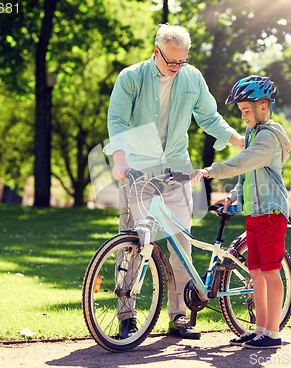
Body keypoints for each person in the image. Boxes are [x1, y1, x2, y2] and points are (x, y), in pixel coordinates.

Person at [103, 24, 245, 340]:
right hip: (138, 173)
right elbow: (118, 121)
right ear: (157, 53)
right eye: (172, 63)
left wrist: (238, 141)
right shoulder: (131, 78)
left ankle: (178, 316)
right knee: (133, 243)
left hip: (177, 172)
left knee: (181, 245)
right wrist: (120, 159)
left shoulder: (191, 77)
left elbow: (210, 117)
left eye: (182, 61)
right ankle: (127, 315)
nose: (178, 68)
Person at [190, 75, 291, 349]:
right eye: (241, 111)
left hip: (271, 212)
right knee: (256, 272)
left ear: (262, 106)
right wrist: (233, 197)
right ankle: (259, 329)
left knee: (271, 273)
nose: (243, 116)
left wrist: (213, 170)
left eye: (246, 110)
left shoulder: (268, 136)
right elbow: (248, 177)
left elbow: (245, 162)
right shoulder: (252, 133)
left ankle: (272, 334)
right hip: (255, 212)